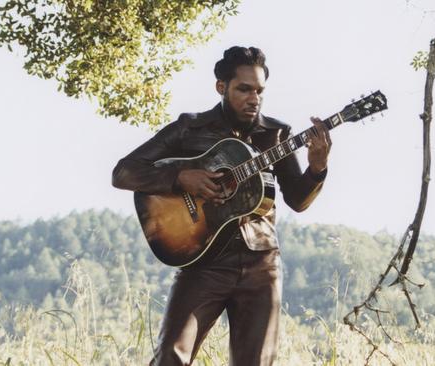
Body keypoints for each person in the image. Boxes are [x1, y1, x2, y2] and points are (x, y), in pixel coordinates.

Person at [112, 46, 331, 366]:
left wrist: (317, 167)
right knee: (170, 358)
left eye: (259, 91)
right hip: (204, 262)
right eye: (244, 89)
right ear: (222, 87)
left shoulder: (276, 135)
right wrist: (180, 177)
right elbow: (124, 172)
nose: (253, 98)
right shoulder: (190, 128)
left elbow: (297, 200)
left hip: (261, 265)